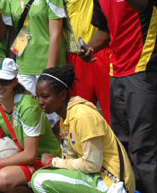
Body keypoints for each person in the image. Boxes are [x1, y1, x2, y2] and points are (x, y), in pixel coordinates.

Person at [76, 0, 157, 193]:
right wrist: (91, 48)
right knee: (123, 141)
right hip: (117, 70)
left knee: (144, 142)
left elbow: (140, 2)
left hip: (144, 67)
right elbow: (105, 29)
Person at [31, 65, 135, 193]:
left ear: (62, 95)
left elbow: (92, 163)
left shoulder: (83, 115)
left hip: (113, 184)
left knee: (40, 179)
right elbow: (71, 160)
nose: (40, 102)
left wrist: (54, 162)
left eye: (45, 96)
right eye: (37, 96)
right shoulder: (66, 118)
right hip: (97, 177)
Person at [0, 58, 60, 192]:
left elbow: (30, 155)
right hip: (23, 155)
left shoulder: (27, 107)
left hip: (43, 158)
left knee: (2, 178)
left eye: (5, 81)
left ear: (14, 82)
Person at [3, 0, 66, 95]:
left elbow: (56, 34)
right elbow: (14, 33)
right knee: (30, 113)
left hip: (46, 65)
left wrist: (50, 71)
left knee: (51, 116)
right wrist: (11, 63)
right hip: (23, 67)